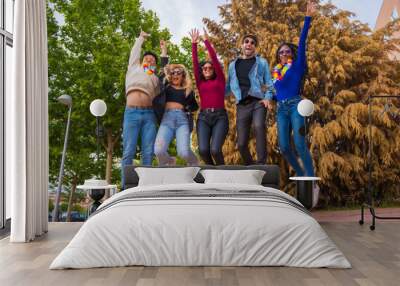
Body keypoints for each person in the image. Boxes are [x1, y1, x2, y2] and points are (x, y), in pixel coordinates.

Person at [270, 1, 319, 206]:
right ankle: (300, 172)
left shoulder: (298, 65)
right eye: (281, 52)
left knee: (299, 143)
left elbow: (302, 42)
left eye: (286, 51)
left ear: (291, 53)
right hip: (281, 109)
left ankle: (311, 181)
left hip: (297, 106)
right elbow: (276, 93)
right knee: (283, 146)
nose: (284, 54)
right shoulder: (276, 74)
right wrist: (268, 99)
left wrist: (307, 18)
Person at [121, 31, 168, 188]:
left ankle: (144, 187)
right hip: (131, 113)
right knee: (129, 150)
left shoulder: (154, 78)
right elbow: (134, 52)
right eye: (147, 58)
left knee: (148, 152)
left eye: (153, 60)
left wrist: (164, 52)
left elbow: (165, 73)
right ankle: (125, 186)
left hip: (149, 116)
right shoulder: (134, 68)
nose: (150, 60)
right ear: (142, 61)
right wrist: (140, 38)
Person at [226, 33, 274, 165]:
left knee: (259, 126)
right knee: (241, 144)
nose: (249, 44)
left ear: (255, 47)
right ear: (242, 45)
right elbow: (228, 87)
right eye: (246, 41)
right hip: (242, 105)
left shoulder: (262, 62)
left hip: (258, 101)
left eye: (253, 43)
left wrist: (267, 98)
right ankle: (251, 166)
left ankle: (261, 163)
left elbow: (269, 85)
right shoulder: (233, 65)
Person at [189, 28, 228, 165]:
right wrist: (193, 44)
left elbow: (215, 60)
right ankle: (212, 173)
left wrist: (206, 41)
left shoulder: (220, 80)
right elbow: (195, 65)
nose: (207, 69)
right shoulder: (200, 83)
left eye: (209, 68)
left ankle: (223, 173)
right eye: (204, 68)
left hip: (220, 117)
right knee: (203, 150)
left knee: (216, 150)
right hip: (204, 118)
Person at [153, 62, 199, 166]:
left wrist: (193, 95)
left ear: (183, 76)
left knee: (183, 153)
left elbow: (195, 107)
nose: (175, 75)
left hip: (182, 120)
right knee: (158, 150)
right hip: (166, 120)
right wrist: (164, 54)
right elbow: (162, 73)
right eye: (173, 73)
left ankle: (194, 161)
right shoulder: (166, 86)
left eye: (179, 72)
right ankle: (169, 161)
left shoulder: (187, 90)